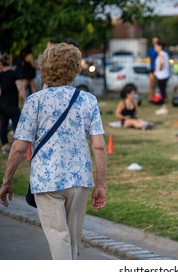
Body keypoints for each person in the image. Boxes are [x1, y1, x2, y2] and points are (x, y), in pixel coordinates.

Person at [0, 43, 107, 260]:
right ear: (75, 68)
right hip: (79, 180)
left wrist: (7, 181)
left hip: (46, 181)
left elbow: (19, 147)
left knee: (59, 239)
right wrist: (101, 184)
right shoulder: (88, 100)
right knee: (73, 243)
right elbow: (99, 145)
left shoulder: (35, 101)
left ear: (45, 68)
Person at [0, 54, 26, 154]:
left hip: (2, 104)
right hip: (12, 104)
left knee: (3, 124)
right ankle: (19, 146)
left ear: (2, 63)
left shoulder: (1, 75)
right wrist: (24, 100)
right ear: (9, 62)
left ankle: (5, 147)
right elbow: (20, 88)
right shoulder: (15, 74)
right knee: (18, 124)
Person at [154, 41, 171, 115]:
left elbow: (162, 62)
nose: (155, 48)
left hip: (162, 75)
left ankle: (164, 107)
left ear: (160, 46)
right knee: (163, 92)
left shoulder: (161, 54)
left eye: (156, 46)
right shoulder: (165, 54)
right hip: (165, 75)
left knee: (163, 92)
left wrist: (159, 69)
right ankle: (164, 106)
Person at [148, 36, 160, 101]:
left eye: (156, 41)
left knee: (160, 86)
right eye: (154, 41)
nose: (155, 43)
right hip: (153, 69)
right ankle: (151, 99)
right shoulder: (150, 50)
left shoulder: (162, 50)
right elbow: (150, 58)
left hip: (160, 70)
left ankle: (160, 98)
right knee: (151, 85)